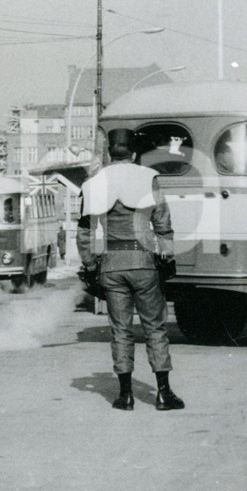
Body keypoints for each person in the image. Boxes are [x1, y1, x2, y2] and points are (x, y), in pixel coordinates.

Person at [77, 128, 183, 411]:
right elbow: (162, 221)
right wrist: (167, 256)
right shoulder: (147, 178)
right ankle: (163, 394)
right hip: (143, 262)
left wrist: (89, 265)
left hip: (111, 265)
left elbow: (85, 232)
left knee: (120, 331)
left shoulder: (95, 182)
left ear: (111, 153)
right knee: (154, 328)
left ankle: (125, 396)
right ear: (134, 153)